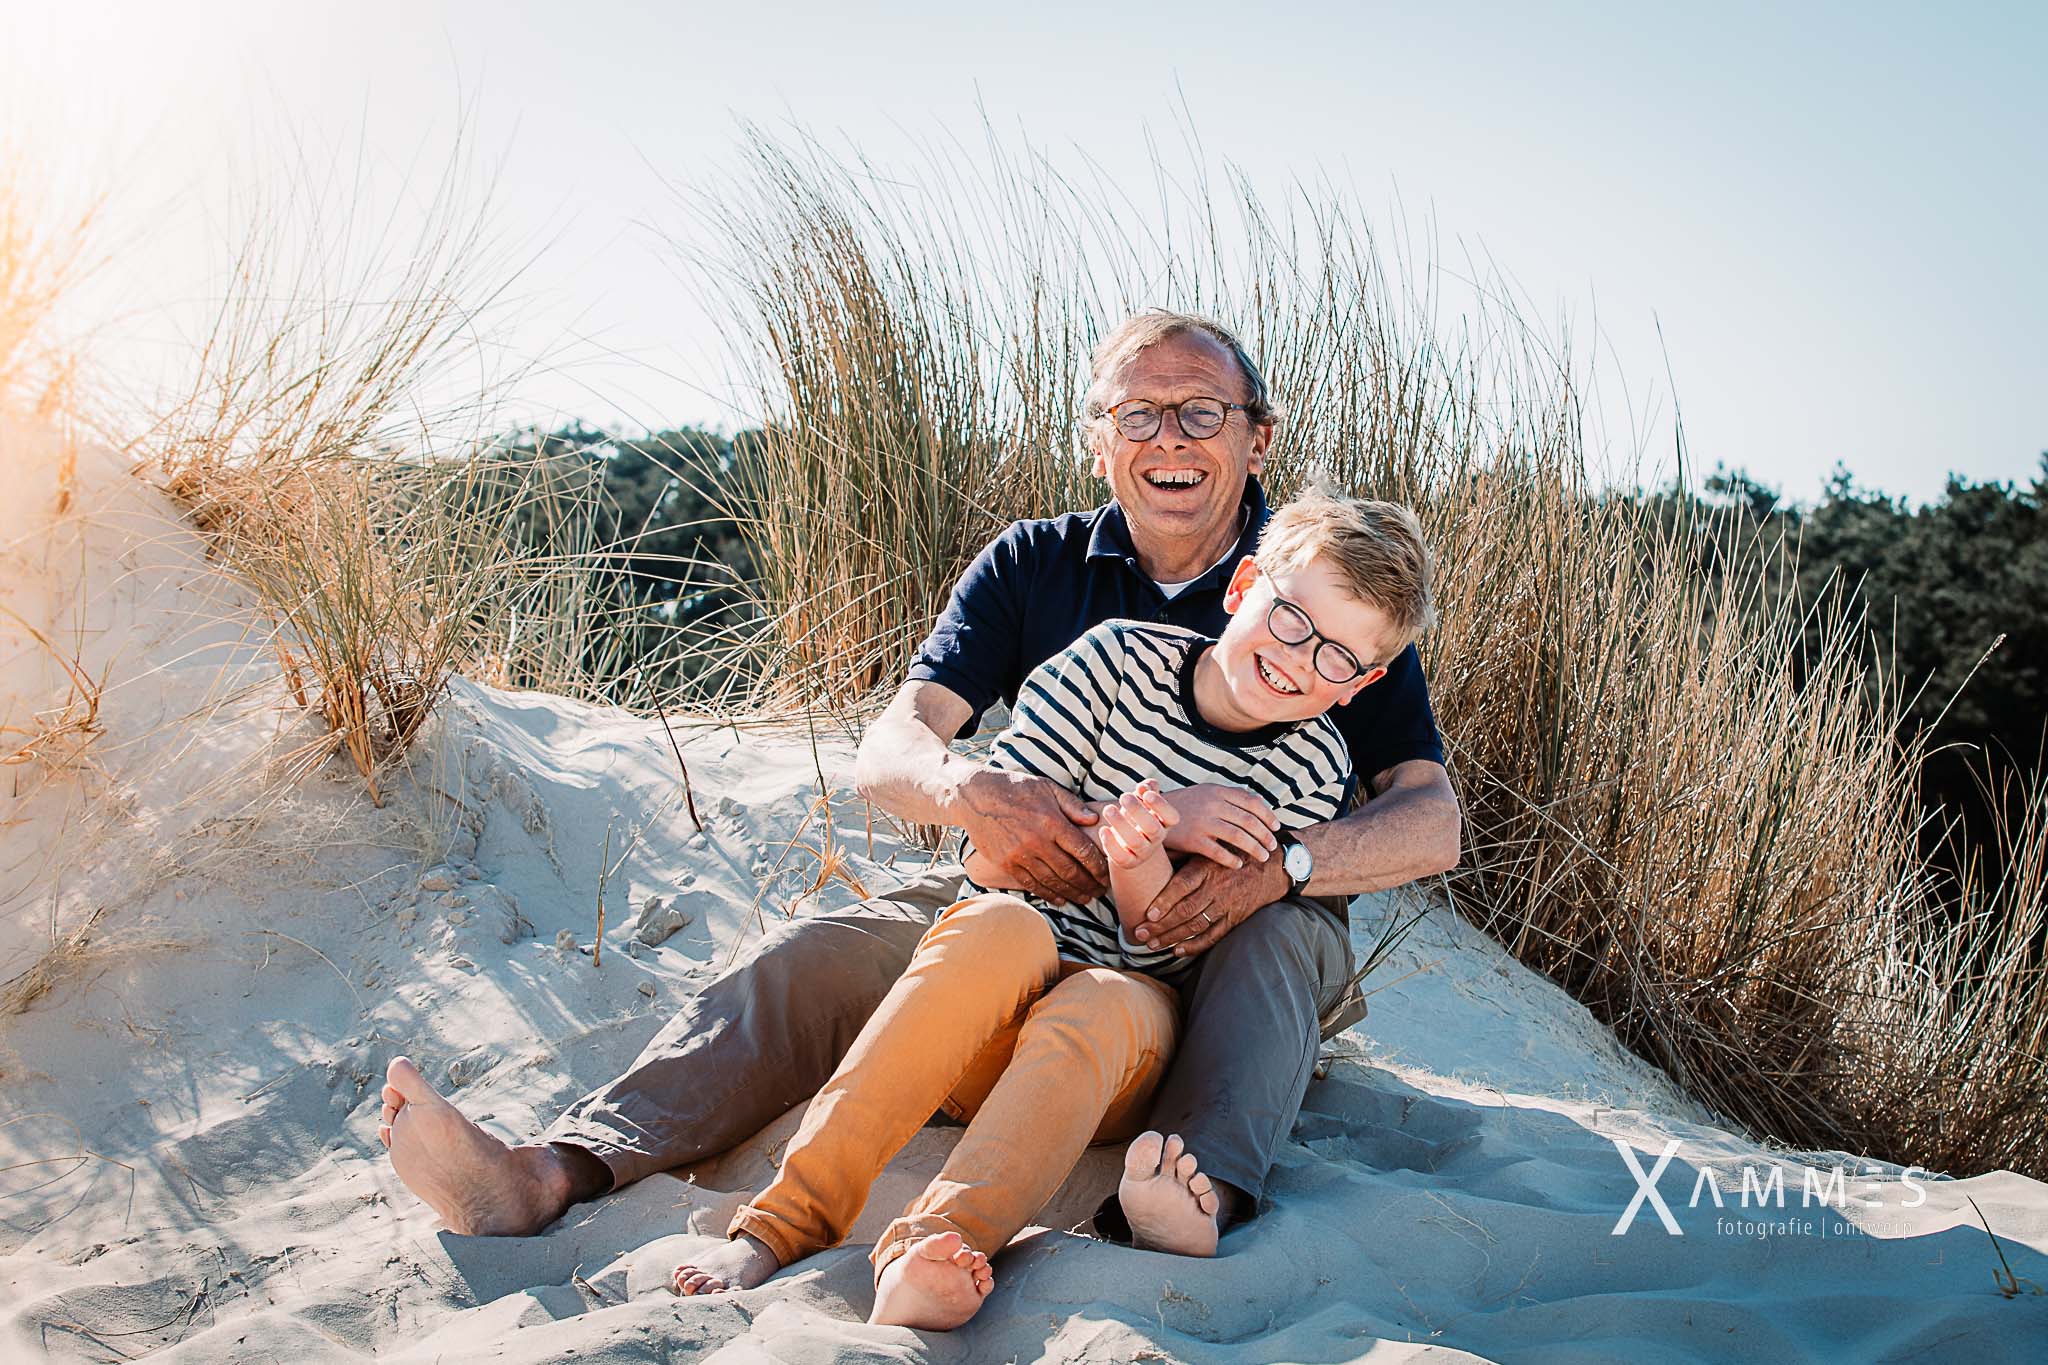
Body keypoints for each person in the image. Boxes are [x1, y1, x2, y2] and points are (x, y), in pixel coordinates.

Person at [376, 310, 1460, 1263]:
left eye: (1200, 412)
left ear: (1254, 436)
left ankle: (1192, 1196)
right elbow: (897, 742)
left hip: (1234, 925)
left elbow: (1428, 817)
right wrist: (967, 792)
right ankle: (551, 1173)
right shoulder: (1034, 566)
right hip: (1043, 905)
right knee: (822, 957)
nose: (1168, 439)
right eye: (1137, 415)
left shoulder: (1325, 592)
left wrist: (1289, 865)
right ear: (1096, 442)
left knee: (1278, 941)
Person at [668, 489, 1435, 1329]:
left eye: (1336, 657)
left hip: (1116, 1052)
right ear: (1243, 582)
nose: (1297, 660)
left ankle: (934, 1249)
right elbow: (989, 854)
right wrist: (1163, 817)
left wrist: (1137, 854)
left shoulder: (1310, 769)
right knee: (999, 925)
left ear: (1362, 682)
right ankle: (781, 1226)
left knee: (1105, 998)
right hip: (976, 1019)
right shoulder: (1107, 664)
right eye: (1290, 619)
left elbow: (1160, 934)